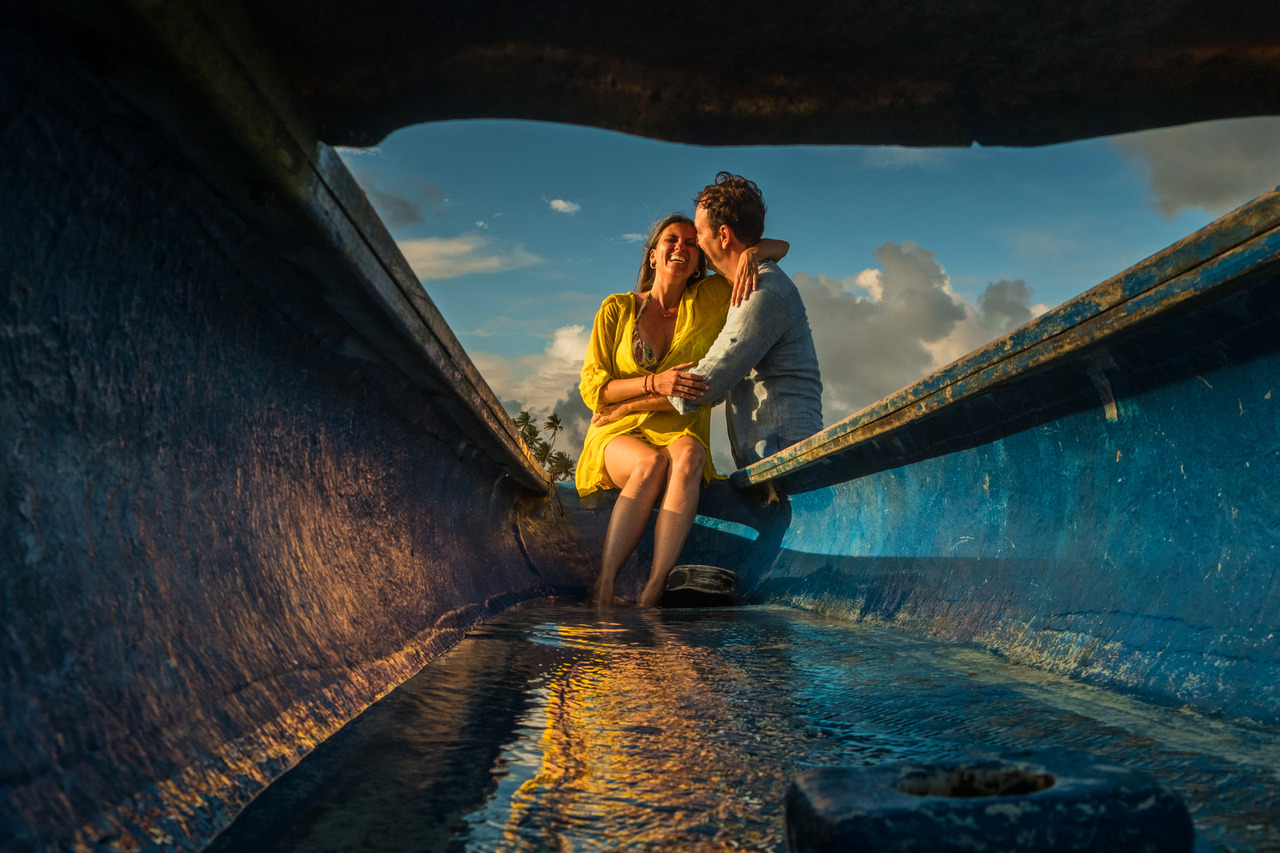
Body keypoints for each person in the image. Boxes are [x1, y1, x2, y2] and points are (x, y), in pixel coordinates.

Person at [575, 213, 787, 607]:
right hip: (617, 431)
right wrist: (654, 382)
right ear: (652, 255)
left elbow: (782, 250)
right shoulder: (617, 308)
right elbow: (594, 390)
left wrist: (751, 253)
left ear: (699, 259)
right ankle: (603, 586)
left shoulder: (709, 298)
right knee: (650, 465)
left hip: (680, 427)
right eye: (671, 240)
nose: (681, 247)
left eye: (691, 243)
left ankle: (652, 592)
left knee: (691, 455)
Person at [592, 173, 823, 471]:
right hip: (773, 455)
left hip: (789, 456)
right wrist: (757, 250)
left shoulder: (760, 292)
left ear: (723, 236)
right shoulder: (742, 282)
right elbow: (782, 246)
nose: (696, 244)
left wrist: (625, 407)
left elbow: (703, 385)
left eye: (698, 233)